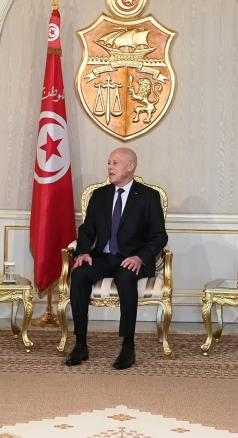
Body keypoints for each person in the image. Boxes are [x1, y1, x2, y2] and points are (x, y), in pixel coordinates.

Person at [66, 148, 168, 370]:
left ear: (130, 166)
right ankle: (80, 344)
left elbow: (160, 236)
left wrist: (140, 257)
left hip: (131, 258)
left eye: (115, 163)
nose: (110, 167)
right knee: (79, 275)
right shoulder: (100, 195)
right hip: (103, 257)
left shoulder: (148, 196)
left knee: (126, 278)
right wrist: (83, 252)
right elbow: (87, 230)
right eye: (109, 163)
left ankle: (128, 347)